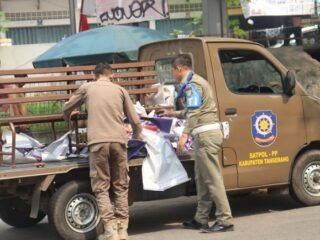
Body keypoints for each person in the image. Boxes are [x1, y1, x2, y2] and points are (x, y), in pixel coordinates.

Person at [62, 63, 142, 240]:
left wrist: (68, 119)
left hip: (98, 143)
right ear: (111, 75)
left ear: (94, 75)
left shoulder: (87, 88)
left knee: (101, 187)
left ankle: (110, 231)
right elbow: (135, 119)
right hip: (119, 142)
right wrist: (137, 135)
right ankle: (123, 230)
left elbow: (67, 107)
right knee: (121, 185)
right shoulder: (120, 90)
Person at [159, 54, 234, 233]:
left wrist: (184, 135)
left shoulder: (193, 84)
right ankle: (200, 218)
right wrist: (173, 114)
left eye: (172, 69)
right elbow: (190, 110)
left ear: (178, 68)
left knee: (213, 179)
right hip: (203, 135)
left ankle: (225, 219)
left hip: (206, 135)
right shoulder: (194, 82)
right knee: (202, 179)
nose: (173, 73)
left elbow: (194, 112)